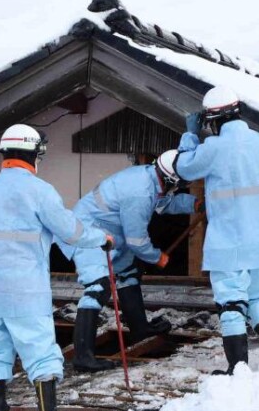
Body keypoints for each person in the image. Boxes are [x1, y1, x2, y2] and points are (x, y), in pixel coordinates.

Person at [0, 124, 111, 411]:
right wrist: (101, 238)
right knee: (40, 349)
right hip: (26, 289)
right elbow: (70, 231)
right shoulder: (39, 190)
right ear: (34, 153)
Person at [176, 86, 259, 373]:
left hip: (229, 241)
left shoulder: (213, 148)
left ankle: (237, 368)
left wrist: (190, 135)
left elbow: (184, 169)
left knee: (231, 305)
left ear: (213, 120)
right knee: (256, 297)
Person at [59, 150, 196, 371]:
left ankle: (140, 330)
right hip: (89, 233)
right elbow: (137, 240)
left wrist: (194, 204)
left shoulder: (151, 178)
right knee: (98, 287)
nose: (178, 188)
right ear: (171, 178)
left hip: (113, 233)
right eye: (179, 184)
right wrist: (157, 257)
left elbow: (163, 204)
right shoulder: (140, 193)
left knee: (128, 275)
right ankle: (83, 357)